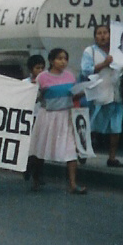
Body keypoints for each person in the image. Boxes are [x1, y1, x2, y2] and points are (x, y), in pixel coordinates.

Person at [28, 48, 87, 194]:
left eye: (65, 59)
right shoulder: (42, 77)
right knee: (40, 149)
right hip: (47, 117)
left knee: (70, 150)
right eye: (59, 58)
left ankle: (73, 184)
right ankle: (36, 178)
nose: (63, 62)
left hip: (65, 116)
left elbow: (72, 96)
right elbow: (34, 97)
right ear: (51, 61)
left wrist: (82, 93)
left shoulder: (70, 76)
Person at [81, 24, 123, 168]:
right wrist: (104, 64)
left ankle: (112, 158)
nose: (102, 36)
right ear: (95, 37)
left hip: (116, 94)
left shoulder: (118, 51)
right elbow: (86, 71)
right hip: (97, 95)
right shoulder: (90, 51)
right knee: (92, 126)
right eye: (99, 33)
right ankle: (83, 151)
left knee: (115, 128)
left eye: (105, 33)